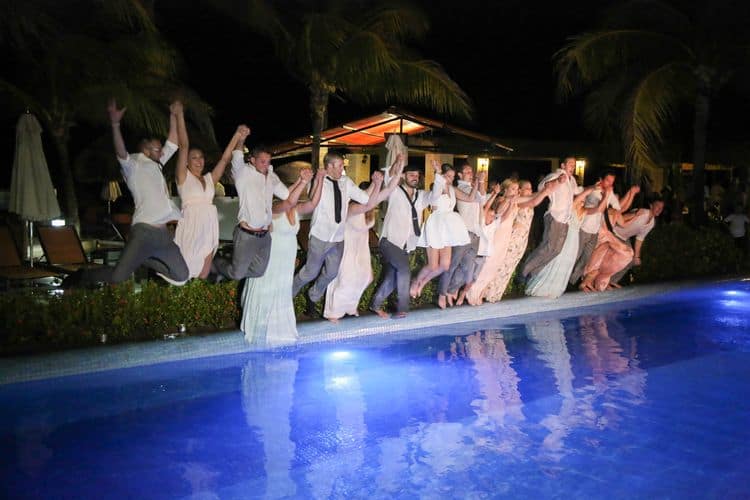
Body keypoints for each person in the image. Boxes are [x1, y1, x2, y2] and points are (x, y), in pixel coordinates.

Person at [64, 99, 189, 287]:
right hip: (144, 232)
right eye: (157, 148)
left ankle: (143, 260)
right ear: (145, 149)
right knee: (117, 277)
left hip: (163, 235)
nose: (161, 152)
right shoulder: (134, 165)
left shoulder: (158, 163)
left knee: (182, 275)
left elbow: (173, 141)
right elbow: (120, 150)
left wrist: (173, 115)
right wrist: (115, 124)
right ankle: (83, 276)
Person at [292, 152, 384, 317]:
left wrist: (376, 184)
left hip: (338, 239)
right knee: (310, 272)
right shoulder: (317, 180)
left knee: (332, 272)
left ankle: (312, 296)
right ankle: (288, 294)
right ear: (330, 166)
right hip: (320, 237)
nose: (343, 168)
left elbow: (365, 199)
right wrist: (319, 179)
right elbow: (313, 198)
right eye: (341, 165)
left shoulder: (346, 182)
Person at [240, 168, 322, 346]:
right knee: (268, 289)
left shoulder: (296, 209)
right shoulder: (274, 208)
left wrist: (319, 179)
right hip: (272, 259)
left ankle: (280, 329)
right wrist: (302, 182)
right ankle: (262, 329)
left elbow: (312, 204)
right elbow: (287, 202)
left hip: (286, 259)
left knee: (282, 291)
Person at [212, 134, 305, 281]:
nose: (266, 165)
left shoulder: (271, 176)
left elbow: (286, 195)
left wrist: (302, 180)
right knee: (237, 274)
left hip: (265, 235)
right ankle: (215, 263)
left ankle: (229, 266)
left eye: (268, 161)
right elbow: (236, 156)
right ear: (252, 160)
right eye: (262, 161)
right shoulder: (243, 174)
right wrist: (241, 138)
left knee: (258, 271)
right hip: (246, 234)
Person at [324, 157, 405, 322]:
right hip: (347, 245)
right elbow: (368, 202)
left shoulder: (370, 208)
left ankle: (350, 306)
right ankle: (333, 312)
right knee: (345, 280)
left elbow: (390, 188)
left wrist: (400, 165)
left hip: (361, 247)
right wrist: (375, 184)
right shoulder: (353, 207)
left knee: (366, 277)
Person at [466, 177, 561, 305]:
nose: (515, 191)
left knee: (496, 266)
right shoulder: (501, 200)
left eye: (516, 189)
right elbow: (500, 215)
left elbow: (532, 199)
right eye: (513, 188)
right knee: (489, 265)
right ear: (505, 190)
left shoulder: (515, 200)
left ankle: (484, 293)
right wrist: (510, 202)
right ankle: (473, 292)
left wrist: (548, 190)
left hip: (507, 237)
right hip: (500, 235)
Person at [173, 120, 243, 280]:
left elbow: (225, 159)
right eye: (194, 158)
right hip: (191, 226)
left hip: (209, 227)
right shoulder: (183, 177)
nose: (199, 161)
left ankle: (204, 292)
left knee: (203, 273)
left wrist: (237, 135)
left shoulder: (210, 179)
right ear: (186, 162)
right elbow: (184, 146)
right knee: (186, 271)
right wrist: (180, 115)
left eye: (201, 157)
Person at [370, 163, 441, 319]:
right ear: (403, 176)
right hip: (389, 241)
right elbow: (389, 182)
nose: (415, 178)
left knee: (392, 278)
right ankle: (403, 308)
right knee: (404, 269)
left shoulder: (421, 195)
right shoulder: (394, 191)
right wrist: (396, 166)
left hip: (406, 244)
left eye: (416, 176)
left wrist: (438, 174)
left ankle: (374, 305)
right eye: (411, 175)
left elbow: (435, 196)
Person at [525, 182, 608, 299]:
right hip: (566, 238)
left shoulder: (585, 211)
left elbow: (599, 209)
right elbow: (578, 198)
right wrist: (590, 188)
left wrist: (605, 196)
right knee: (557, 261)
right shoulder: (571, 208)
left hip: (574, 242)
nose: (583, 200)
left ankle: (555, 289)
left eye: (584, 199)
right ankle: (543, 288)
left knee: (567, 264)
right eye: (582, 198)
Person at [410, 161, 478, 299]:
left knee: (445, 265)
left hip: (448, 228)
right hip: (435, 226)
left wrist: (478, 182)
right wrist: (437, 172)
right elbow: (435, 192)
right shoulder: (437, 187)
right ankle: (416, 281)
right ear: (442, 175)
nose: (450, 179)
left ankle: (422, 283)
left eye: (452, 177)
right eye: (448, 176)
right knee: (432, 265)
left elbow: (471, 198)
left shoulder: (452, 189)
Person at [569, 171, 639, 287]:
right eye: (608, 181)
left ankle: (575, 282)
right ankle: (571, 281)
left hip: (596, 231)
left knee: (586, 257)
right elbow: (578, 193)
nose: (610, 184)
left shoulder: (609, 194)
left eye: (612, 182)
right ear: (601, 179)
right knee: (577, 255)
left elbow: (620, 208)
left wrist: (631, 193)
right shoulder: (592, 190)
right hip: (584, 228)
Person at [520, 156, 581, 282]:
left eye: (574, 165)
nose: (573, 167)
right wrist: (558, 181)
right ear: (563, 166)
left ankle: (533, 273)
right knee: (547, 247)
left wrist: (592, 188)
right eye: (570, 164)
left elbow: (577, 191)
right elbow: (542, 186)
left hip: (565, 220)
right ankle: (524, 272)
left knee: (556, 250)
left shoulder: (572, 180)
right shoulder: (555, 175)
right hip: (554, 216)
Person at [439, 161, 487, 308]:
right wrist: (478, 182)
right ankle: (442, 293)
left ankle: (450, 290)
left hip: (475, 233)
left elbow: (482, 197)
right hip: (463, 232)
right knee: (452, 265)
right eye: (467, 172)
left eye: (471, 172)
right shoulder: (457, 188)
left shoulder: (473, 186)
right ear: (459, 175)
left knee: (467, 269)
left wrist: (481, 181)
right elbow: (471, 198)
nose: (470, 174)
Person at [608, 195, 665, 287]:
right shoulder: (642, 213)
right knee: (615, 257)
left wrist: (637, 257)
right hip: (614, 233)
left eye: (661, 208)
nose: (659, 209)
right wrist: (635, 214)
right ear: (651, 206)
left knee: (631, 260)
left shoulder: (652, 223)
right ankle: (601, 279)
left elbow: (639, 239)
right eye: (658, 206)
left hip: (624, 238)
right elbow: (621, 217)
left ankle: (612, 280)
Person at [579, 203, 635, 292]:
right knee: (607, 250)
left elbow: (623, 223)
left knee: (628, 254)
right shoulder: (602, 211)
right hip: (600, 244)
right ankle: (587, 281)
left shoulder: (615, 213)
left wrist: (634, 215)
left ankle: (595, 282)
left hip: (607, 244)